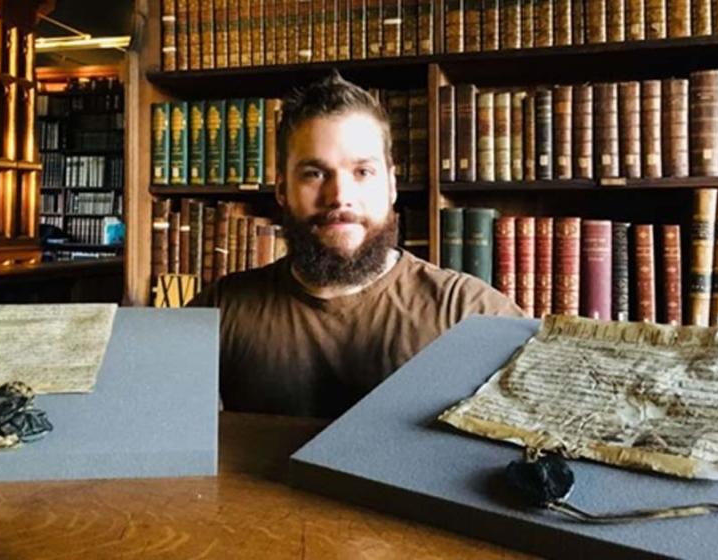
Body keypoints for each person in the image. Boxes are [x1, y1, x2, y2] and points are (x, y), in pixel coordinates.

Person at [188, 72, 522, 418]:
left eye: (362, 172)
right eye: (314, 173)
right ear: (282, 190)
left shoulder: (469, 313)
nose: (339, 197)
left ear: (391, 185)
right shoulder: (220, 310)